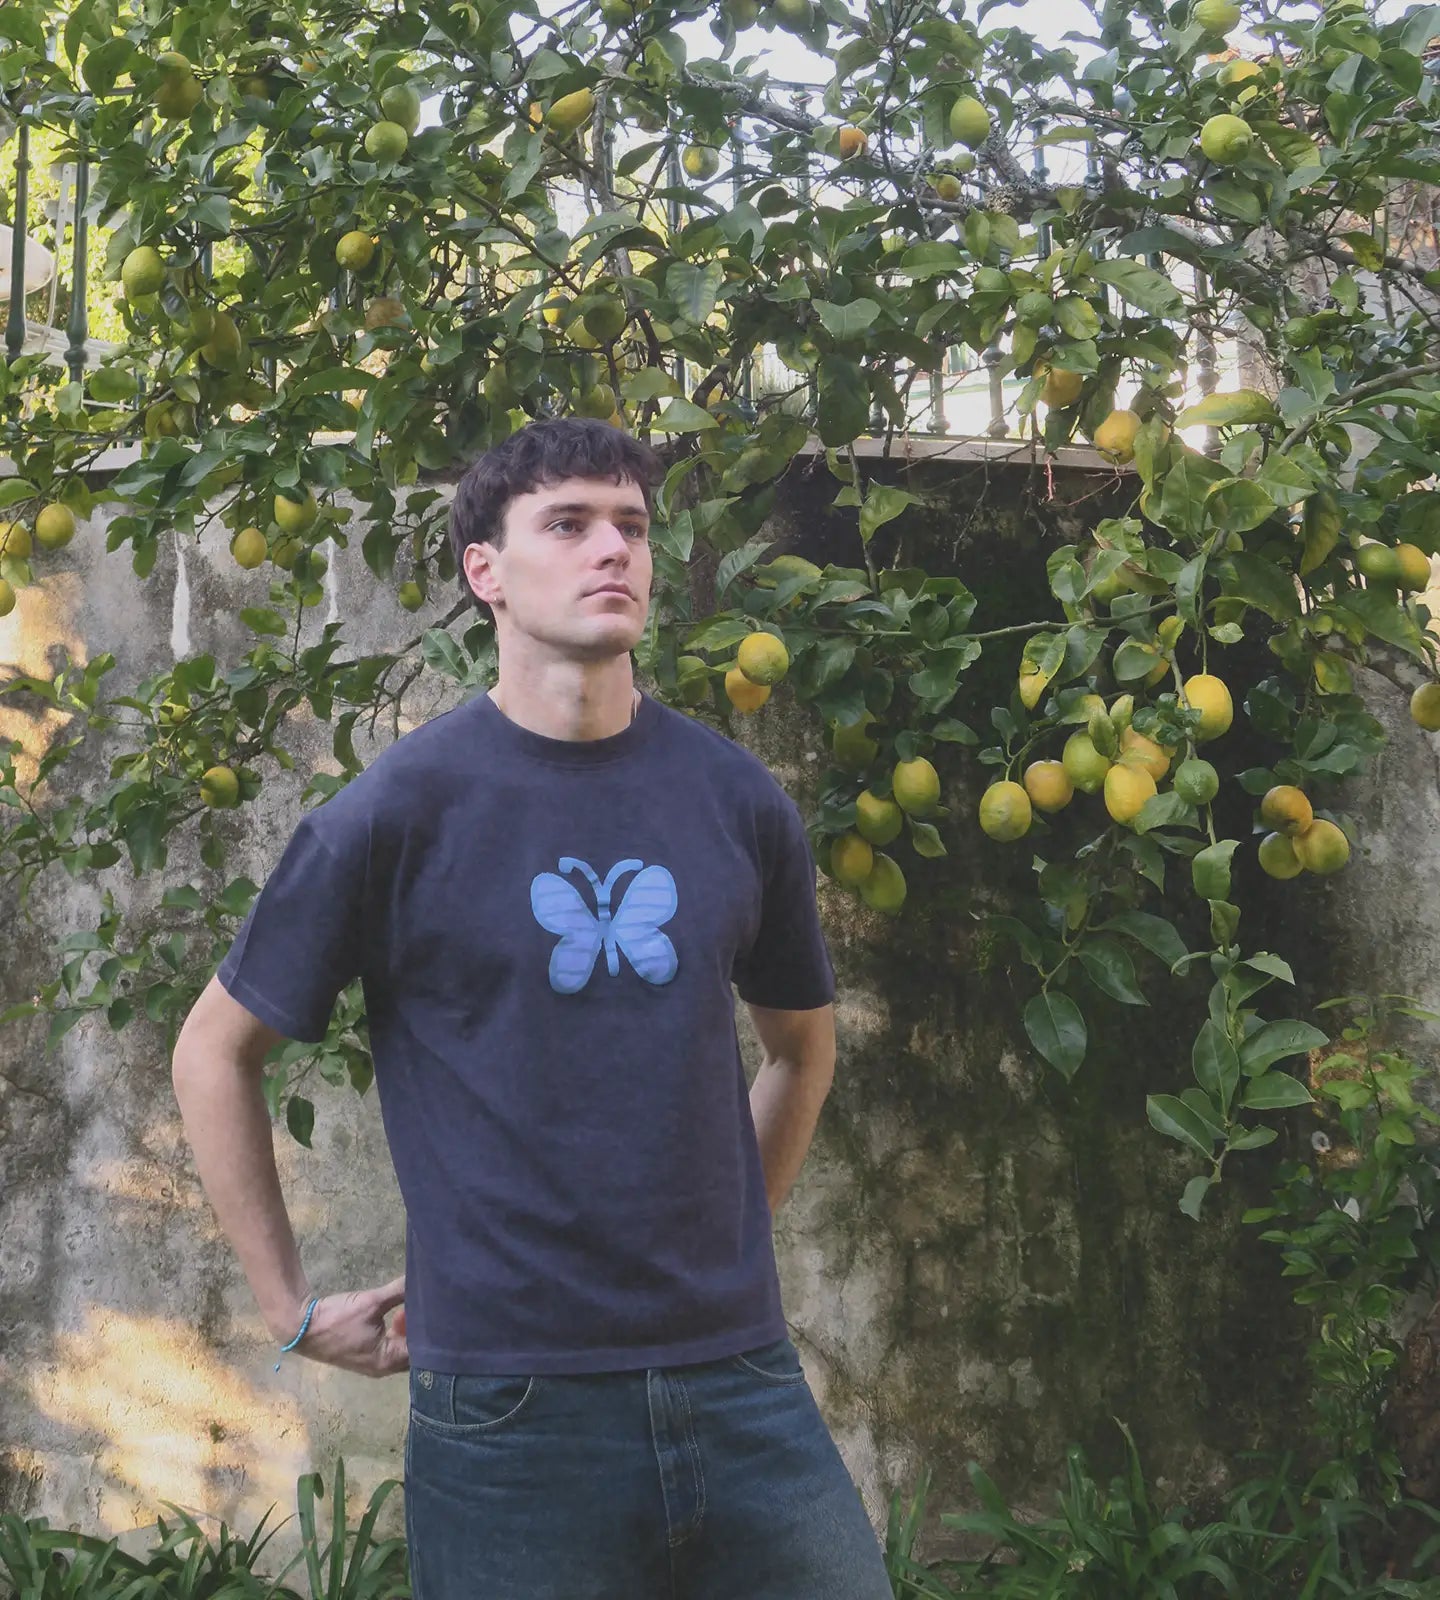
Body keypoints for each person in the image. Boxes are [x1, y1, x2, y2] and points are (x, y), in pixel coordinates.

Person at [171, 417, 894, 1599]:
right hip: (506, 1413)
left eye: (632, 526)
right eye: (569, 523)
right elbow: (212, 1052)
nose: (613, 549)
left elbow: (799, 1055)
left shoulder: (735, 797)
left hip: (743, 1385)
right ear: (486, 573)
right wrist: (288, 1310)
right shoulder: (394, 815)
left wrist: (730, 1238)